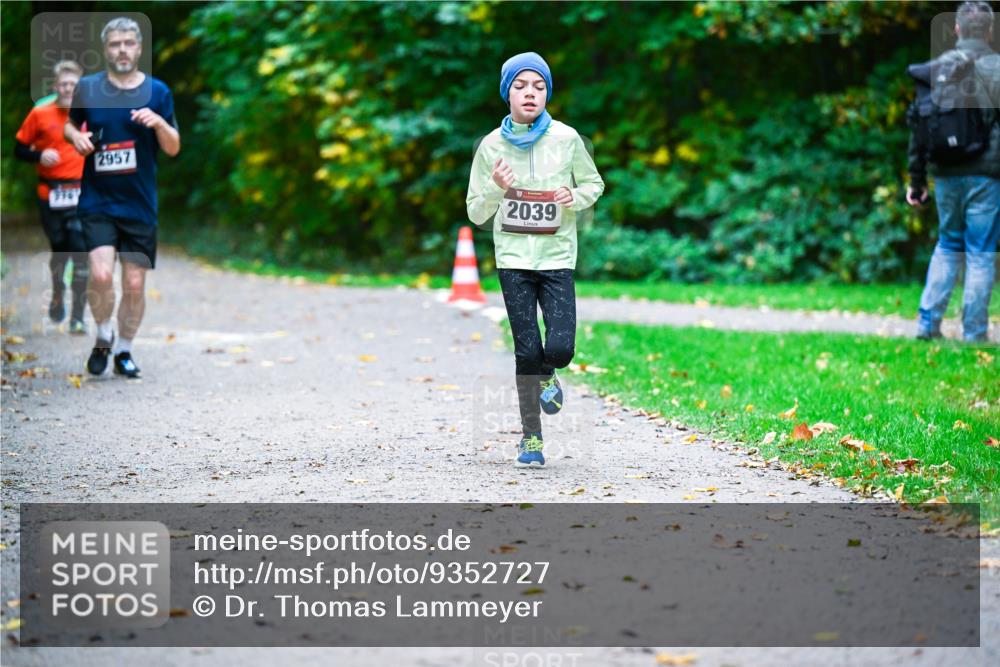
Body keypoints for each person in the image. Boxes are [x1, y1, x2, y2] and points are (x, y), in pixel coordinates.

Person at [466, 52, 605, 467]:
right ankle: (531, 440)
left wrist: (573, 198)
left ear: (547, 93)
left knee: (559, 348)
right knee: (526, 351)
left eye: (539, 86)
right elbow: (476, 211)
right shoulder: (491, 146)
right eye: (522, 86)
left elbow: (594, 183)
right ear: (507, 92)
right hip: (513, 260)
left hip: (557, 257)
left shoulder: (567, 138)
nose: (531, 93)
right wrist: (495, 186)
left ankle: (551, 372)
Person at [64, 17, 180, 377]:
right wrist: (75, 138)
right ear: (106, 49)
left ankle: (125, 351)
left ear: (139, 48)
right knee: (100, 275)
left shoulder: (158, 92)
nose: (122, 50)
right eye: (115, 44)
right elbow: (70, 124)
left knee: (133, 283)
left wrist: (159, 123)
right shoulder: (87, 88)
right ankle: (103, 336)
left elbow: (173, 147)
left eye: (129, 43)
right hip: (97, 201)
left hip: (139, 204)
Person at [907, 1, 1000, 343]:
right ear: (989, 31)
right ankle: (974, 334)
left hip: (945, 173)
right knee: (980, 252)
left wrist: (916, 180)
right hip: (987, 176)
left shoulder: (936, 70)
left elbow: (918, 129)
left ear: (957, 29)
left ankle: (927, 326)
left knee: (948, 244)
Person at [15, 60, 89, 334]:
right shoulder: (40, 113)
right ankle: (59, 292)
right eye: (64, 84)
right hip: (50, 194)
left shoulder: (89, 113)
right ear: (56, 86)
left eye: (74, 84)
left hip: (82, 194)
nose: (69, 88)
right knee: (60, 250)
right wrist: (38, 155)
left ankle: (79, 316)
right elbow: (18, 149)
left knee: (81, 254)